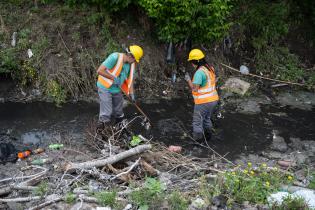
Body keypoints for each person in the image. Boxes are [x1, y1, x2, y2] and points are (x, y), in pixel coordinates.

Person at [96, 45, 144, 130]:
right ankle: (102, 132)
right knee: (106, 113)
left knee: (119, 112)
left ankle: (118, 130)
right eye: (134, 60)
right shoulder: (115, 57)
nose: (134, 62)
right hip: (105, 87)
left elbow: (130, 79)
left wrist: (132, 94)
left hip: (117, 88)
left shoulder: (131, 64)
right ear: (130, 56)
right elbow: (99, 70)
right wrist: (113, 78)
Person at [184, 49, 219, 141]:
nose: (192, 64)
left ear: (195, 61)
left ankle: (198, 142)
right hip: (213, 100)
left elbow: (195, 88)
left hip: (203, 102)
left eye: (192, 62)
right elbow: (214, 81)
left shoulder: (199, 73)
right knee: (207, 119)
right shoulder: (209, 68)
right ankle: (208, 137)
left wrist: (188, 80)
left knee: (197, 122)